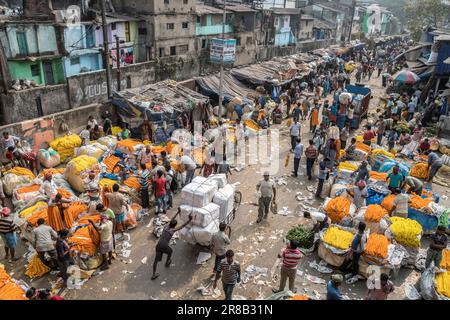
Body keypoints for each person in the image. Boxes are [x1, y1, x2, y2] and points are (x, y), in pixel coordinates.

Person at [151, 213, 192, 280]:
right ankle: (167, 262)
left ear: (170, 224)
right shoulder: (172, 230)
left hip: (158, 245)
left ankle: (153, 274)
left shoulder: (165, 227)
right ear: (175, 225)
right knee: (170, 252)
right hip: (164, 246)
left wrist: (177, 212)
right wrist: (189, 220)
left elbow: (172, 219)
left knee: (156, 261)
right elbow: (182, 226)